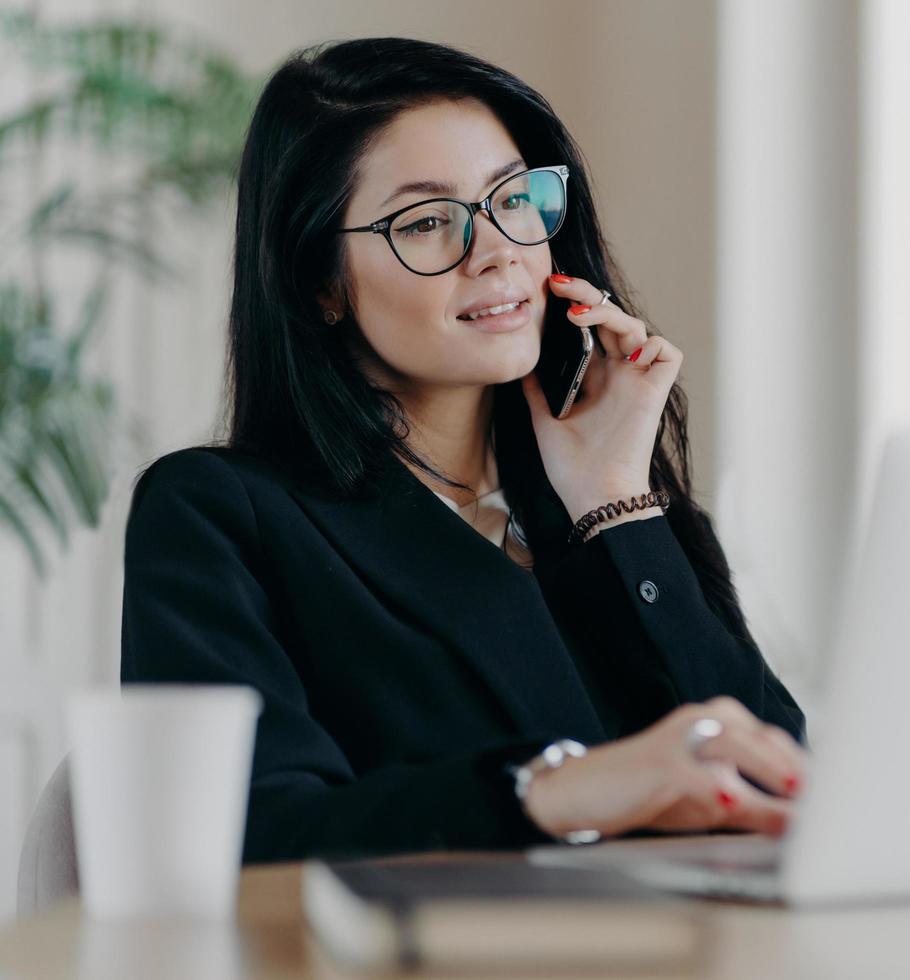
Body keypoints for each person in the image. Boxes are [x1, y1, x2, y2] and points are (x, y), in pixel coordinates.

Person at [119, 36, 807, 862]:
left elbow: (780, 786)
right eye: (428, 222)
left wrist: (614, 500)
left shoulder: (618, 509)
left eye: (513, 199)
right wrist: (549, 787)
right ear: (321, 283)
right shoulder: (222, 515)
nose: (498, 252)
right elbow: (255, 835)